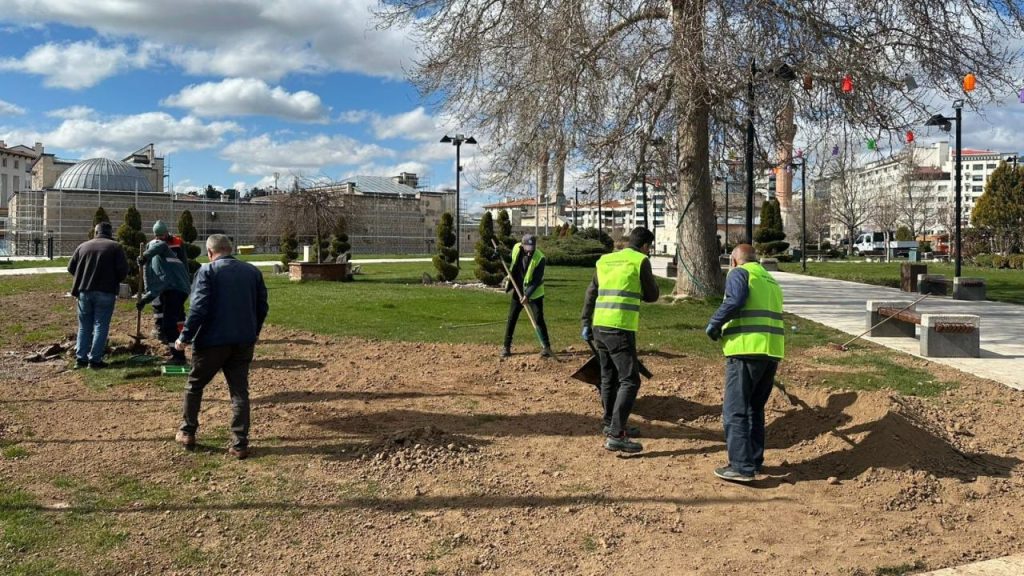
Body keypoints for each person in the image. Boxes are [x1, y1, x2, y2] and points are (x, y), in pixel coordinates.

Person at [174, 234, 268, 459]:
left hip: (211, 342)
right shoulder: (252, 272)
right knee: (239, 392)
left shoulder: (207, 272)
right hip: (243, 341)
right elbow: (262, 306)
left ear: (209, 252)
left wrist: (184, 337)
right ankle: (239, 443)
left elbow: (198, 308)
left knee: (195, 385)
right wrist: (254, 331)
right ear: (230, 249)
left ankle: (188, 431)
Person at [705, 243, 785, 483]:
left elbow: (736, 300)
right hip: (770, 352)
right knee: (754, 409)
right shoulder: (770, 281)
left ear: (734, 260)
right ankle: (754, 460)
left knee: (735, 410)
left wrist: (715, 323)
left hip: (745, 350)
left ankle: (741, 466)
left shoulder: (740, 273)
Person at [580, 227, 659, 454]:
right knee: (630, 380)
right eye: (649, 248)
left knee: (608, 376)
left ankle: (610, 423)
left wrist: (585, 322)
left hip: (600, 326)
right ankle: (616, 435)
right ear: (645, 246)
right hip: (620, 326)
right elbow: (652, 295)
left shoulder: (605, 260)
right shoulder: (640, 261)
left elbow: (591, 293)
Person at [67, 222, 128, 369]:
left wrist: (83, 276)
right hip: (105, 292)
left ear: (95, 232)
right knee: (101, 325)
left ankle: (80, 359)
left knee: (84, 326)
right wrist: (114, 279)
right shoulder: (115, 247)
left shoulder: (83, 246)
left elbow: (70, 267)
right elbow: (123, 271)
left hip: (84, 291)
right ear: (110, 233)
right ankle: (95, 360)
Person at [138, 221, 191, 364]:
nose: (160, 238)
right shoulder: (153, 265)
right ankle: (177, 354)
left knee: (169, 324)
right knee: (170, 323)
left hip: (176, 288)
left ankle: (179, 357)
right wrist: (144, 299)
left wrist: (145, 255)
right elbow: (154, 287)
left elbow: (160, 245)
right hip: (173, 288)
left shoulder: (162, 249)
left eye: (162, 235)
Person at [501, 233, 553, 358]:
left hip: (535, 293)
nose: (530, 252)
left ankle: (546, 347)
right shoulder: (516, 248)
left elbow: (536, 280)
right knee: (512, 317)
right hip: (518, 288)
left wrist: (527, 295)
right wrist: (499, 254)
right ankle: (506, 347)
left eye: (532, 249)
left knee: (538, 319)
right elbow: (511, 261)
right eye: (527, 249)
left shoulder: (540, 258)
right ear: (522, 245)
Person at [145, 221, 188, 338]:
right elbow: (147, 265)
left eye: (162, 235)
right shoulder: (151, 244)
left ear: (166, 232)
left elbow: (184, 262)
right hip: (159, 280)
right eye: (157, 236)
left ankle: (181, 332)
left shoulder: (178, 242)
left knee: (177, 309)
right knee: (158, 306)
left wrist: (185, 279)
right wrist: (148, 287)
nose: (160, 238)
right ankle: (160, 329)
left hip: (175, 282)